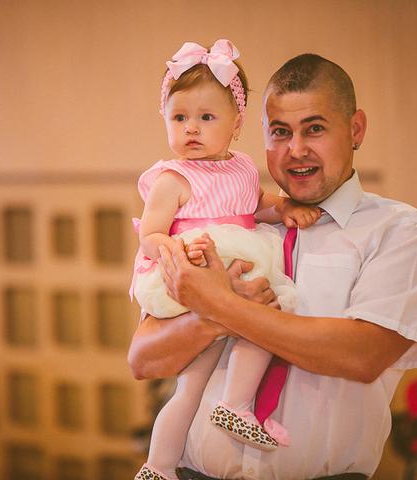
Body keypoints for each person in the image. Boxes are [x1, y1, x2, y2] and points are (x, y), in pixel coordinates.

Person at [128, 53, 417, 480]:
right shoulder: (231, 224)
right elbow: (143, 360)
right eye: (279, 132)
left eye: (315, 128)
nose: (296, 150)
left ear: (355, 129)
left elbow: (362, 355)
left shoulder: (399, 232)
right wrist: (208, 315)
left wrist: (222, 305)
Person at [132, 40, 321, 480]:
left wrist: (285, 208)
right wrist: (174, 251)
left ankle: (230, 408)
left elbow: (257, 205)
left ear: (236, 124)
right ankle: (160, 463)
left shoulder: (243, 168)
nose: (191, 129)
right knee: (200, 374)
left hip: (239, 260)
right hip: (194, 267)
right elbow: (150, 235)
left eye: (206, 117)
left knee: (258, 325)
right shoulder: (173, 178)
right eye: (179, 118)